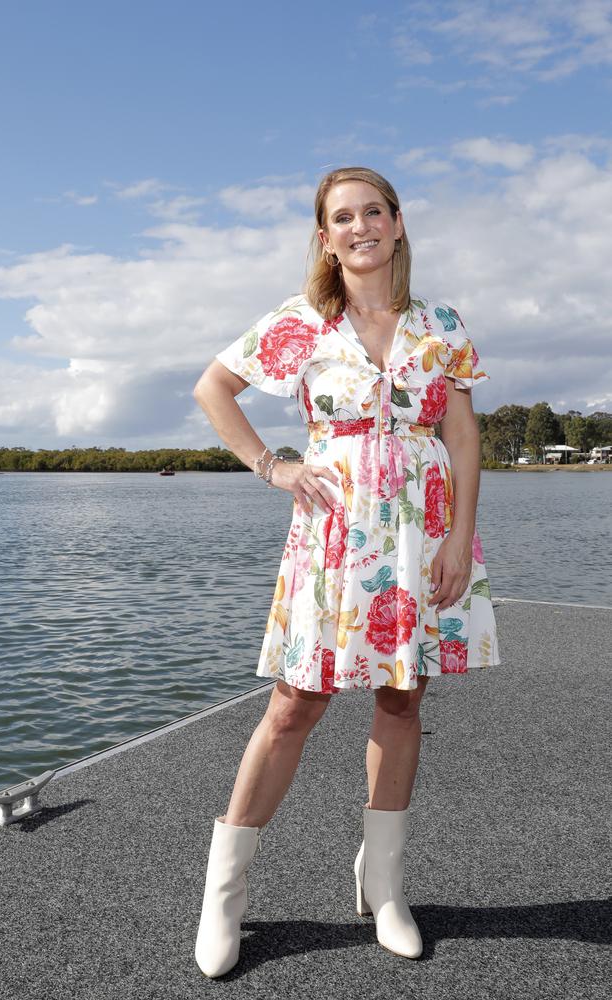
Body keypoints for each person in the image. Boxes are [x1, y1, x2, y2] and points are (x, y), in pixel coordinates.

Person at [192, 165, 501, 978]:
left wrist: (461, 538)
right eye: (342, 217)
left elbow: (463, 438)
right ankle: (225, 893)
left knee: (403, 699)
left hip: (422, 533)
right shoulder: (302, 322)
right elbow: (214, 388)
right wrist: (272, 465)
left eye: (373, 212)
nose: (360, 226)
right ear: (325, 237)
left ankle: (384, 887)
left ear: (398, 224)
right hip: (333, 538)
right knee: (295, 704)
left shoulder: (441, 324)